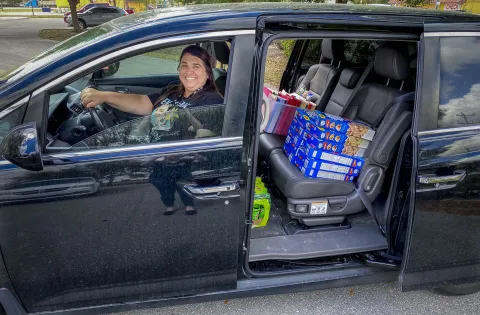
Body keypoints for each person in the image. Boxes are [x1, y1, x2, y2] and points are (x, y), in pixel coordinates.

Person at [81, 44, 224, 215]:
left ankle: (185, 206)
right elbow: (143, 103)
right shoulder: (173, 90)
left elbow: (203, 135)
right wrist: (103, 96)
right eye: (184, 65)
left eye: (196, 66)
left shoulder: (211, 99)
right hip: (153, 153)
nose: (188, 71)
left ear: (208, 73)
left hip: (175, 160)